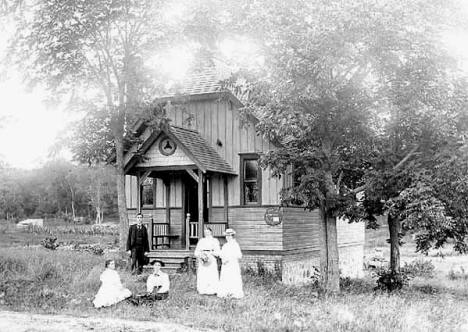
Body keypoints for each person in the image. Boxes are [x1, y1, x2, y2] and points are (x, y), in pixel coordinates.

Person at [217, 228, 244, 299]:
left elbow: (239, 255)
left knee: (233, 277)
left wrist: (229, 259)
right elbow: (221, 254)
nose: (227, 237)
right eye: (226, 236)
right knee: (226, 277)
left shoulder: (235, 245)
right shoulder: (225, 245)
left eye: (229, 236)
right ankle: (226, 292)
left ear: (232, 236)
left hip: (232, 264)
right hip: (225, 264)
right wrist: (223, 258)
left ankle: (233, 292)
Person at [194, 227, 220, 295]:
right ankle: (203, 289)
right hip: (203, 258)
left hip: (211, 258)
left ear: (211, 232)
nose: (206, 233)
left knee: (211, 274)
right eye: (205, 232)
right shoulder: (201, 241)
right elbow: (196, 251)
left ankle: (212, 290)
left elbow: (218, 252)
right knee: (203, 273)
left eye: (208, 232)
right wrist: (201, 255)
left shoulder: (215, 240)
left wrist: (211, 254)